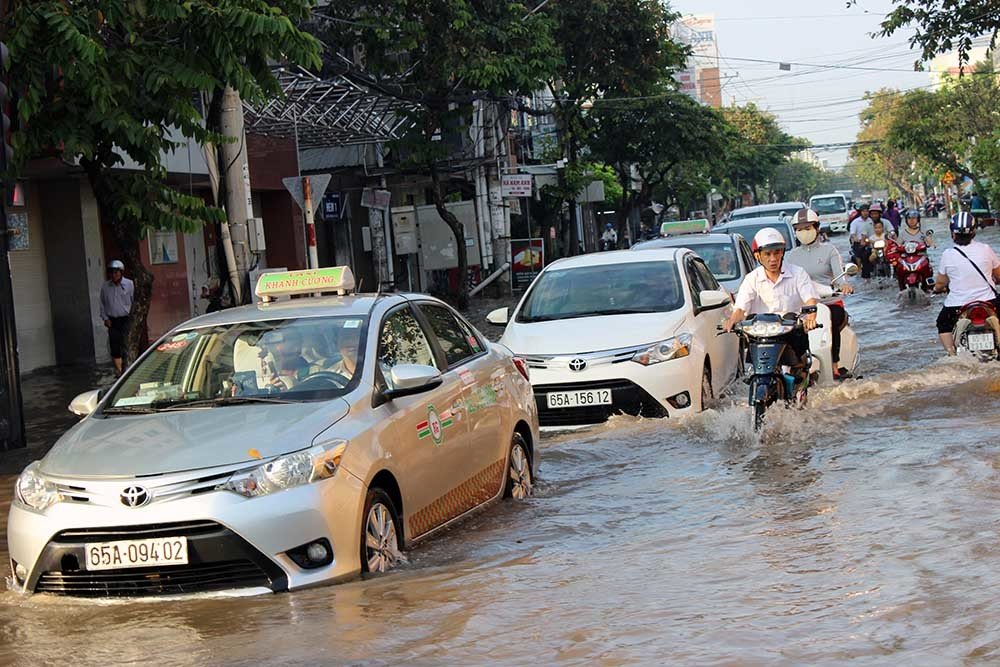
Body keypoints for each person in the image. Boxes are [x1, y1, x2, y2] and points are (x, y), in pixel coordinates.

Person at [724, 228, 821, 388]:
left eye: (776, 253)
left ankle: (798, 392)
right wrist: (732, 321)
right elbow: (740, 309)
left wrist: (811, 316)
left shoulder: (798, 274)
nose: (773, 259)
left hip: (791, 332)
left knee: (799, 370)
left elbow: (809, 298)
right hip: (761, 337)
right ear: (758, 256)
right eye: (767, 254)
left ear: (782, 253)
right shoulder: (751, 279)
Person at [786, 208, 853, 379]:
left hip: (829, 302)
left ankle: (834, 365)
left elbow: (839, 277)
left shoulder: (829, 250)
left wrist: (844, 285)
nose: (803, 232)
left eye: (807, 228)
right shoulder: (790, 256)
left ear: (817, 228)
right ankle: (795, 366)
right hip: (805, 305)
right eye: (799, 229)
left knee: (832, 317)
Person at [932, 212, 1000, 355]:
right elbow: (998, 275)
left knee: (943, 324)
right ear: (974, 231)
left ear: (953, 233)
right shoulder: (986, 249)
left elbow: (940, 283)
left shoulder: (947, 254)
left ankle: (952, 355)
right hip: (989, 301)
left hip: (957, 305)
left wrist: (937, 289)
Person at [99, 259, 134, 377]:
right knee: (115, 346)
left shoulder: (129, 284)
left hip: (126, 319)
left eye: (116, 272)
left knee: (126, 344)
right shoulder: (105, 286)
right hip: (112, 321)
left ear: (121, 272)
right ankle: (119, 371)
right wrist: (105, 318)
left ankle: (128, 368)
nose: (114, 275)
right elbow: (102, 303)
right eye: (111, 272)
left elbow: (134, 301)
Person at [849, 203, 874, 279]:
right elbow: (853, 234)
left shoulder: (872, 221)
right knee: (861, 254)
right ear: (860, 212)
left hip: (872, 242)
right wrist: (859, 240)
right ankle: (860, 269)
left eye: (867, 211)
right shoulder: (855, 222)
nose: (865, 213)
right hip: (860, 243)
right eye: (864, 211)